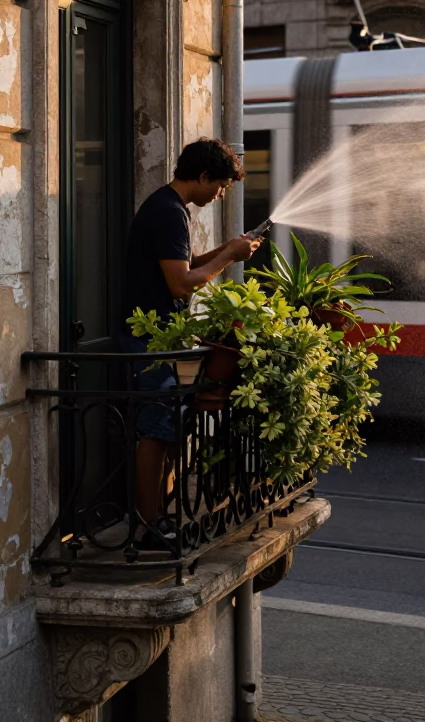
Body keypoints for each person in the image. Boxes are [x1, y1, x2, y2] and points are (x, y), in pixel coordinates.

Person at [121, 137, 262, 548]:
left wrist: (229, 250)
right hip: (151, 342)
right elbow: (182, 285)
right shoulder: (167, 212)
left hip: (161, 340)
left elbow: (190, 264)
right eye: (218, 186)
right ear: (201, 176)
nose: (219, 194)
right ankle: (148, 526)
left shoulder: (169, 208)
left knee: (166, 431)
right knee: (156, 432)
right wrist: (227, 258)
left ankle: (156, 520)